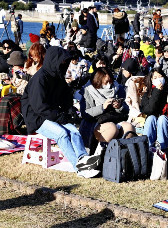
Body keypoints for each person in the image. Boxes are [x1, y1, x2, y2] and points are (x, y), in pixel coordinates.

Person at [21, 47, 100, 178]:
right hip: (36, 118)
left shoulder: (58, 77)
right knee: (62, 134)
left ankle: (83, 159)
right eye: (62, 63)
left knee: (74, 131)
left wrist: (70, 111)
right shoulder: (40, 79)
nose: (64, 65)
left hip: (52, 114)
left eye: (65, 63)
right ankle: (79, 168)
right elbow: (39, 107)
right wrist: (59, 117)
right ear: (53, 61)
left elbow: (66, 99)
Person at [81, 68, 132, 148]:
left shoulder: (117, 88)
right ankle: (99, 154)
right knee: (112, 128)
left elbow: (127, 109)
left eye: (110, 81)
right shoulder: (88, 90)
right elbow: (85, 113)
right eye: (106, 82)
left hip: (115, 118)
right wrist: (102, 107)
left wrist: (119, 106)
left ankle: (123, 154)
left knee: (129, 128)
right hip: (95, 122)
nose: (109, 85)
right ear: (98, 81)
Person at [140, 67, 168, 150]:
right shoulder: (148, 94)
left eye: (160, 77)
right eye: (155, 78)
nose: (158, 80)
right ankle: (146, 148)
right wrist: (157, 91)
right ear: (151, 80)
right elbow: (149, 110)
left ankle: (161, 149)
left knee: (162, 118)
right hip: (153, 122)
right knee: (150, 118)